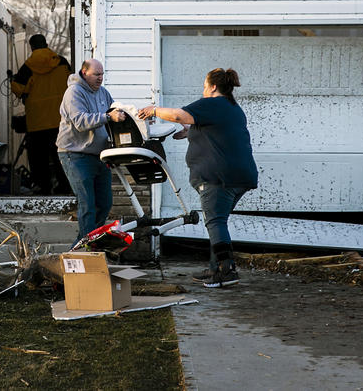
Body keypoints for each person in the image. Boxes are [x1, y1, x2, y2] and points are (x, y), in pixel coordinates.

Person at [138, 68, 257, 288]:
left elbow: (176, 115)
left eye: (204, 86)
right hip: (240, 176)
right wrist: (189, 131)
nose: (203, 90)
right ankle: (215, 268)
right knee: (218, 221)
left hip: (218, 177)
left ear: (213, 86)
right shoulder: (232, 108)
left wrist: (154, 111)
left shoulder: (211, 103)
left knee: (215, 221)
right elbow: (213, 130)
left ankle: (226, 271)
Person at [56, 59, 126, 242]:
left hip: (100, 155)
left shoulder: (103, 93)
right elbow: (81, 122)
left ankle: (87, 244)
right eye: (96, 74)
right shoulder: (74, 92)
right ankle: (88, 249)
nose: (100, 78)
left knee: (105, 203)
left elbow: (114, 114)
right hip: (74, 154)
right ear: (84, 72)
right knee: (88, 204)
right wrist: (108, 116)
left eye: (102, 74)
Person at [10, 34, 73, 195]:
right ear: (46, 44)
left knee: (39, 158)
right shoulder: (62, 62)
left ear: (32, 47)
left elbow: (18, 89)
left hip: (37, 121)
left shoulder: (28, 66)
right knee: (60, 155)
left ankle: (43, 187)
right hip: (60, 119)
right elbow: (73, 83)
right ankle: (64, 186)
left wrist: (12, 80)